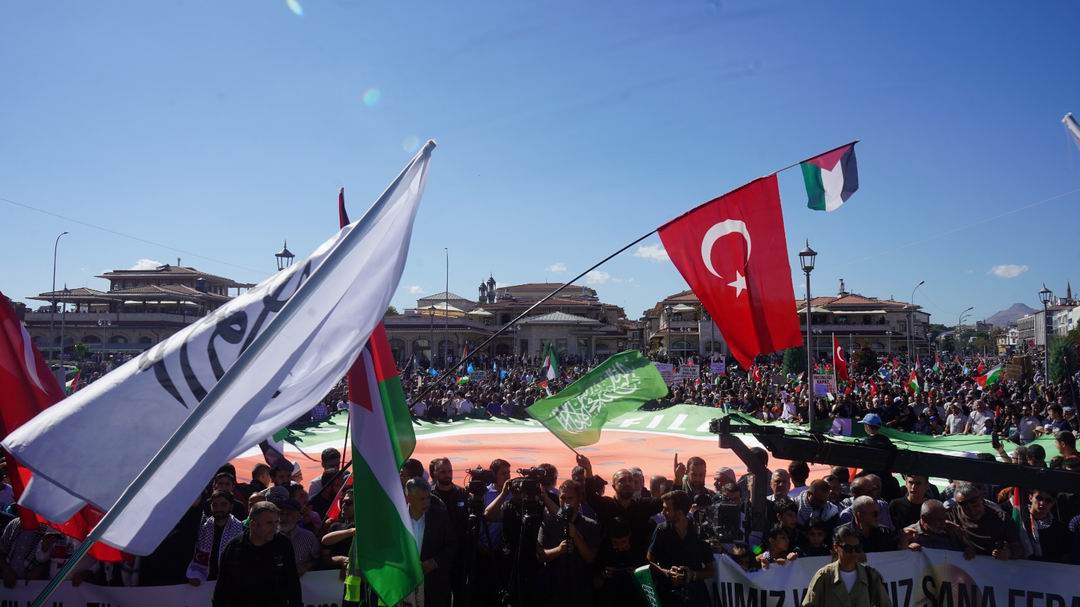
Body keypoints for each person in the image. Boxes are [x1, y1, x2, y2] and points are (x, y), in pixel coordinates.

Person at [213, 501, 302, 607]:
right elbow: (222, 586)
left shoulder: (283, 544)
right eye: (269, 523)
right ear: (253, 524)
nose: (275, 528)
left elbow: (292, 581)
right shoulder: (234, 548)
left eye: (276, 522)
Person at [577, 454, 662, 565]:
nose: (627, 483)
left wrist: (678, 479)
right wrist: (588, 469)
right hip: (610, 568)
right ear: (613, 486)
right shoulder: (606, 505)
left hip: (637, 567)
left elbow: (667, 501)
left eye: (630, 480)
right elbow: (591, 495)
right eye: (622, 480)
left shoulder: (643, 506)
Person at [537, 480, 601, 607]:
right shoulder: (548, 523)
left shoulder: (590, 524)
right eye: (562, 497)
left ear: (579, 499)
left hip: (581, 589)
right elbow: (540, 555)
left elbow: (590, 558)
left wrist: (576, 536)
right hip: (555, 588)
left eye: (570, 498)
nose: (566, 501)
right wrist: (558, 550)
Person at [646, 490, 715, 607]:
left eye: (666, 509)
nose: (663, 512)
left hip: (695, 598)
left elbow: (710, 570)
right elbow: (649, 560)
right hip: (667, 596)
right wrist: (667, 573)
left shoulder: (699, 533)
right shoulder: (661, 530)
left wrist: (691, 575)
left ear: (679, 513)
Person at [802, 525, 892, 607]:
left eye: (857, 548)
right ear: (836, 547)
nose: (853, 552)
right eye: (848, 548)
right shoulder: (824, 576)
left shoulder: (870, 575)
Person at [405, 478, 456, 607]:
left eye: (428, 498)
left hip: (433, 589)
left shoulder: (440, 516)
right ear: (409, 498)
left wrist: (434, 562)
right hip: (404, 586)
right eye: (421, 499)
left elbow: (452, 546)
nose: (426, 502)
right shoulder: (398, 518)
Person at [947, 482, 1020, 560]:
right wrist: (945, 526)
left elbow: (1018, 549)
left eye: (975, 504)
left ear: (982, 499)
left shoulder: (1001, 518)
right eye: (965, 507)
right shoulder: (951, 515)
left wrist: (1008, 553)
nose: (972, 511)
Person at [188, 490, 245, 585]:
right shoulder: (202, 528)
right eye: (215, 505)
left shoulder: (241, 530)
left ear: (231, 506)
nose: (218, 508)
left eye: (223, 505)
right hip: (203, 584)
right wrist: (195, 575)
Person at [899, 500, 972, 556]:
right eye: (938, 520)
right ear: (925, 518)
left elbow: (963, 551)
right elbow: (898, 560)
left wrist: (966, 545)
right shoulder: (908, 535)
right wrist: (906, 547)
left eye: (944, 518)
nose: (943, 523)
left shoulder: (950, 530)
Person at [278, 499, 322, 575]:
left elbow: (318, 560)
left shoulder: (309, 537)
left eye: (288, 514)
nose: (283, 518)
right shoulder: (268, 536)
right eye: (281, 513)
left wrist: (306, 566)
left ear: (299, 516)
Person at [1025, 489, 1070, 563]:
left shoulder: (1060, 529)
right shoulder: (1019, 522)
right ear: (1030, 497)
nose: (1042, 503)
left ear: (1053, 503)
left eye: (1048, 500)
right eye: (1039, 498)